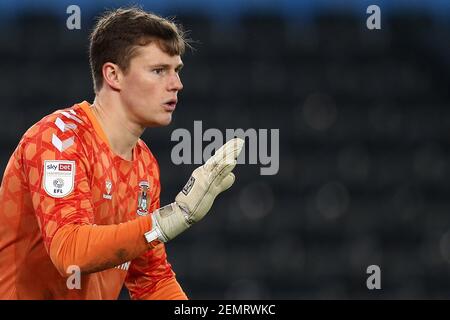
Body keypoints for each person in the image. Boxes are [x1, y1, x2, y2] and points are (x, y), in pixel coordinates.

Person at [0, 7, 243, 300]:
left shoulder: (144, 165)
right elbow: (69, 252)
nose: (177, 84)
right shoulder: (57, 139)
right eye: (159, 70)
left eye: (176, 70)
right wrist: (169, 219)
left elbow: (152, 281)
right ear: (113, 75)